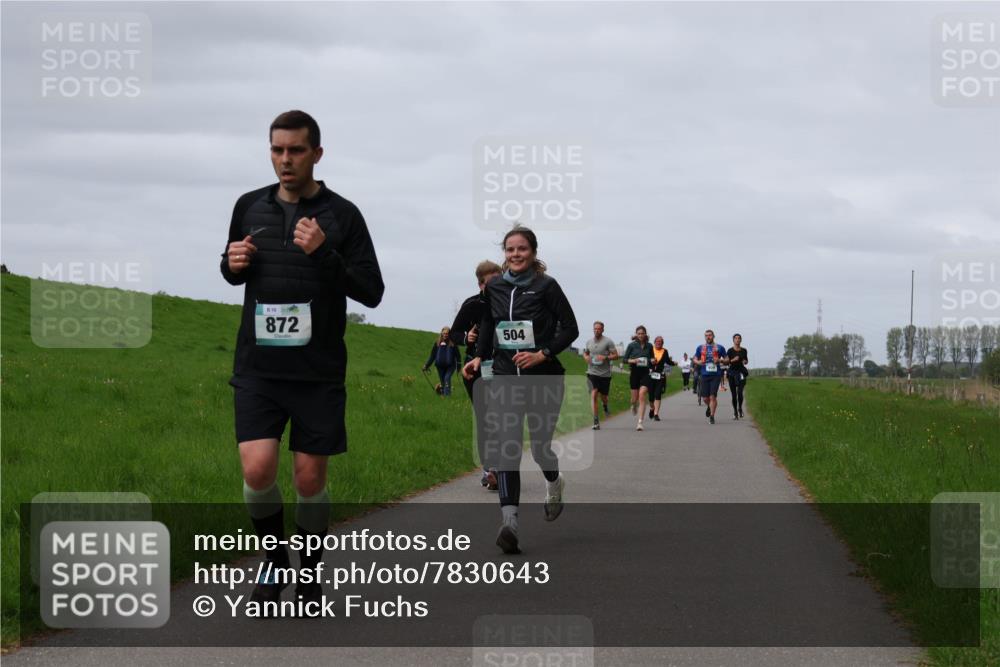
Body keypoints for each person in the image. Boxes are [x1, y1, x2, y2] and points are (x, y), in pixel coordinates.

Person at [221, 110, 384, 613]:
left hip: (317, 372)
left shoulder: (344, 216)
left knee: (309, 479)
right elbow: (232, 271)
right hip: (259, 368)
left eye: (295, 150)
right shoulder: (249, 206)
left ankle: (309, 574)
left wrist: (323, 254)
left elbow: (372, 292)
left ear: (317, 153)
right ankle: (273, 563)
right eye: (276, 149)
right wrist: (230, 265)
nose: (284, 160)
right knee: (257, 468)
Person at [462, 225, 578, 555]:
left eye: (522, 249)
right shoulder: (496, 286)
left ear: (533, 252)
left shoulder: (548, 287)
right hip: (504, 377)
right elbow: (488, 323)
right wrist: (480, 356)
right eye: (510, 249)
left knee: (540, 447)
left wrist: (542, 353)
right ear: (505, 253)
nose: (515, 254)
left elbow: (571, 328)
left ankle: (554, 483)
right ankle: (509, 523)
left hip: (544, 378)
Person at [449, 261, 503, 488]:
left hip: (504, 367)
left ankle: (502, 468)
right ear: (481, 284)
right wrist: (466, 338)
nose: (497, 286)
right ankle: (489, 469)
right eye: (492, 282)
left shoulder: (508, 304)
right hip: (476, 368)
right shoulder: (471, 304)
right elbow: (454, 332)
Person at [583, 321, 619, 430]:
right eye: (595, 328)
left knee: (604, 397)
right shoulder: (589, 342)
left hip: (604, 374)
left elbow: (616, 355)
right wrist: (586, 357)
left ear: (602, 330)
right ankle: (595, 420)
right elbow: (586, 353)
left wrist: (606, 357)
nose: (596, 330)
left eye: (599, 329)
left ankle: (605, 406)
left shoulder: (608, 342)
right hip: (592, 372)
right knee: (593, 394)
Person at [693, 329, 728, 424]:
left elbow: (727, 359)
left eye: (710, 335)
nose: (708, 337)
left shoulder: (719, 347)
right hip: (704, 374)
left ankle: (712, 416)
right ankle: (709, 406)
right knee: (705, 398)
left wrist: (720, 361)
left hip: (716, 375)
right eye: (706, 335)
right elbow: (695, 358)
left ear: (713, 336)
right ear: (705, 337)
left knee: (712, 396)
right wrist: (698, 362)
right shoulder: (700, 347)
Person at [622, 325, 653, 431]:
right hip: (634, 372)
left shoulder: (649, 346)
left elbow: (652, 358)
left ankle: (640, 422)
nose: (640, 335)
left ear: (645, 334)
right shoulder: (631, 345)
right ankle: (633, 405)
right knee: (634, 398)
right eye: (638, 333)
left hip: (645, 373)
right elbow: (624, 360)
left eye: (642, 333)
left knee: (642, 394)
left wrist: (653, 361)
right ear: (636, 334)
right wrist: (634, 361)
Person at [423, 327, 461, 396]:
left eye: (447, 333)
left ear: (449, 334)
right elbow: (432, 356)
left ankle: (447, 396)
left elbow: (458, 357)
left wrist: (458, 368)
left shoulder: (453, 344)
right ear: (441, 334)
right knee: (443, 382)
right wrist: (426, 365)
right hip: (439, 366)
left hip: (450, 366)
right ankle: (443, 395)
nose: (445, 335)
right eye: (444, 333)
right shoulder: (437, 343)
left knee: (447, 378)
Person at [646, 336, 676, 421]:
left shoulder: (664, 351)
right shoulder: (650, 350)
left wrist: (674, 363)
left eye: (660, 342)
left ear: (662, 343)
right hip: (650, 374)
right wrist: (650, 361)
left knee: (658, 394)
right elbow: (646, 358)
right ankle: (652, 408)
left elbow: (667, 361)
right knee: (651, 397)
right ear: (654, 342)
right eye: (657, 341)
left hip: (660, 375)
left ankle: (656, 414)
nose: (658, 343)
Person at [727, 333, 750, 419]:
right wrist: (733, 360)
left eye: (739, 338)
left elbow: (746, 360)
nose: (737, 340)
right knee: (733, 394)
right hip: (732, 372)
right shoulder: (730, 351)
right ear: (733, 340)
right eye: (736, 338)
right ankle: (735, 412)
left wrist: (744, 361)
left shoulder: (744, 350)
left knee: (740, 392)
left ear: (741, 340)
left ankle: (740, 408)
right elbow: (727, 361)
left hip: (741, 372)